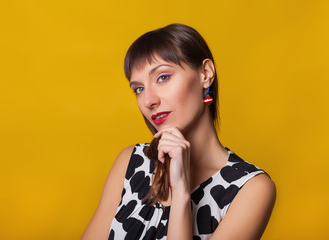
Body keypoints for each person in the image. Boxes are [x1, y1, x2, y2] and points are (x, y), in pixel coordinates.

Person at [81, 23, 276, 240]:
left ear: (205, 74)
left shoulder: (250, 189)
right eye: (139, 89)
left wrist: (181, 193)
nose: (149, 101)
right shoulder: (131, 162)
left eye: (163, 77)